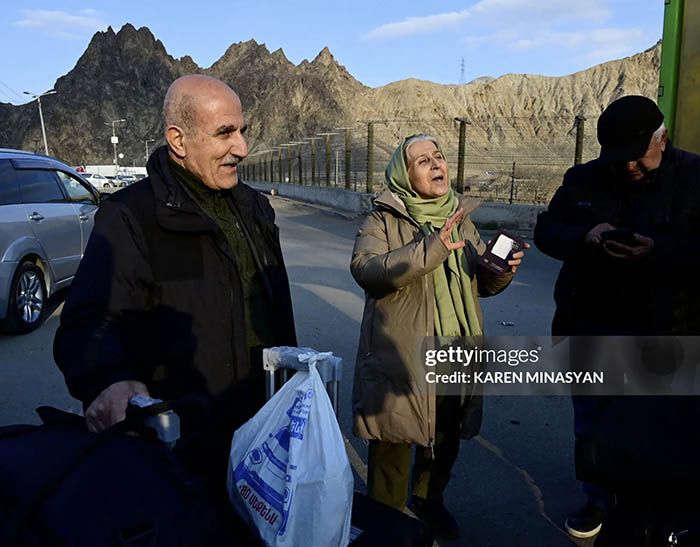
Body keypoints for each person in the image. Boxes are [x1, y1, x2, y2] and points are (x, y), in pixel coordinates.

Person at [54, 75, 296, 497]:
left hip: (266, 428)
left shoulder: (255, 208)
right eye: (225, 133)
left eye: (242, 131)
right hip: (185, 448)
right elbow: (88, 321)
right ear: (178, 140)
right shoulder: (130, 216)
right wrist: (109, 380)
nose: (241, 148)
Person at [534, 95, 700, 539]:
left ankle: (653, 512)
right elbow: (546, 230)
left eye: (637, 155)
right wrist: (585, 236)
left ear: (662, 139)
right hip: (591, 323)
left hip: (668, 328)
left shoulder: (695, 177)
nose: (628, 166)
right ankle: (598, 500)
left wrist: (658, 250)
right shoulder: (583, 179)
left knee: (663, 427)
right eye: (617, 156)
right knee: (592, 422)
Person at [350, 134, 527, 539]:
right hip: (401, 353)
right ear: (404, 174)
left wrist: (501, 270)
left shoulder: (459, 217)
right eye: (423, 160)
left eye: (439, 156)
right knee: (393, 441)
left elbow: (480, 284)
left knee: (445, 435)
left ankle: (428, 499)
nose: (436, 164)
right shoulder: (383, 218)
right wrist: (432, 248)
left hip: (456, 347)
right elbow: (367, 270)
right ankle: (385, 520)